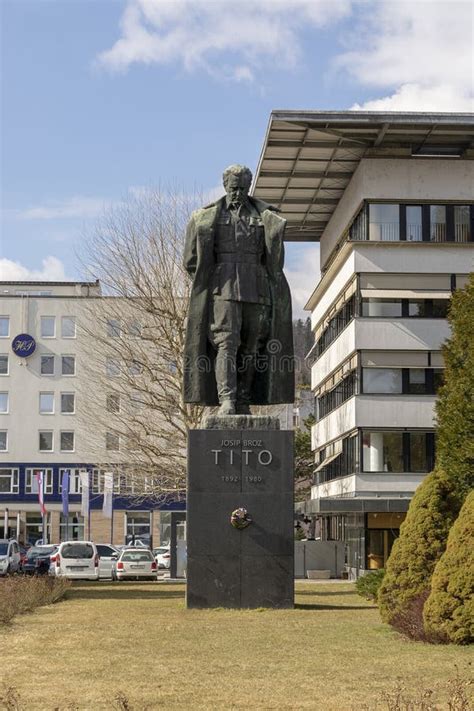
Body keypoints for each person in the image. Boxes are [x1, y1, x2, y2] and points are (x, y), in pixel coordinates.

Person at [183, 164, 294, 414]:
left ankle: (243, 398)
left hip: (257, 289)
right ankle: (227, 400)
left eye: (243, 188)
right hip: (222, 290)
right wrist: (210, 283)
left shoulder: (265, 216)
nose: (238, 193)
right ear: (225, 187)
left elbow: (274, 259)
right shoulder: (204, 217)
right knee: (227, 343)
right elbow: (191, 261)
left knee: (252, 345)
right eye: (234, 188)